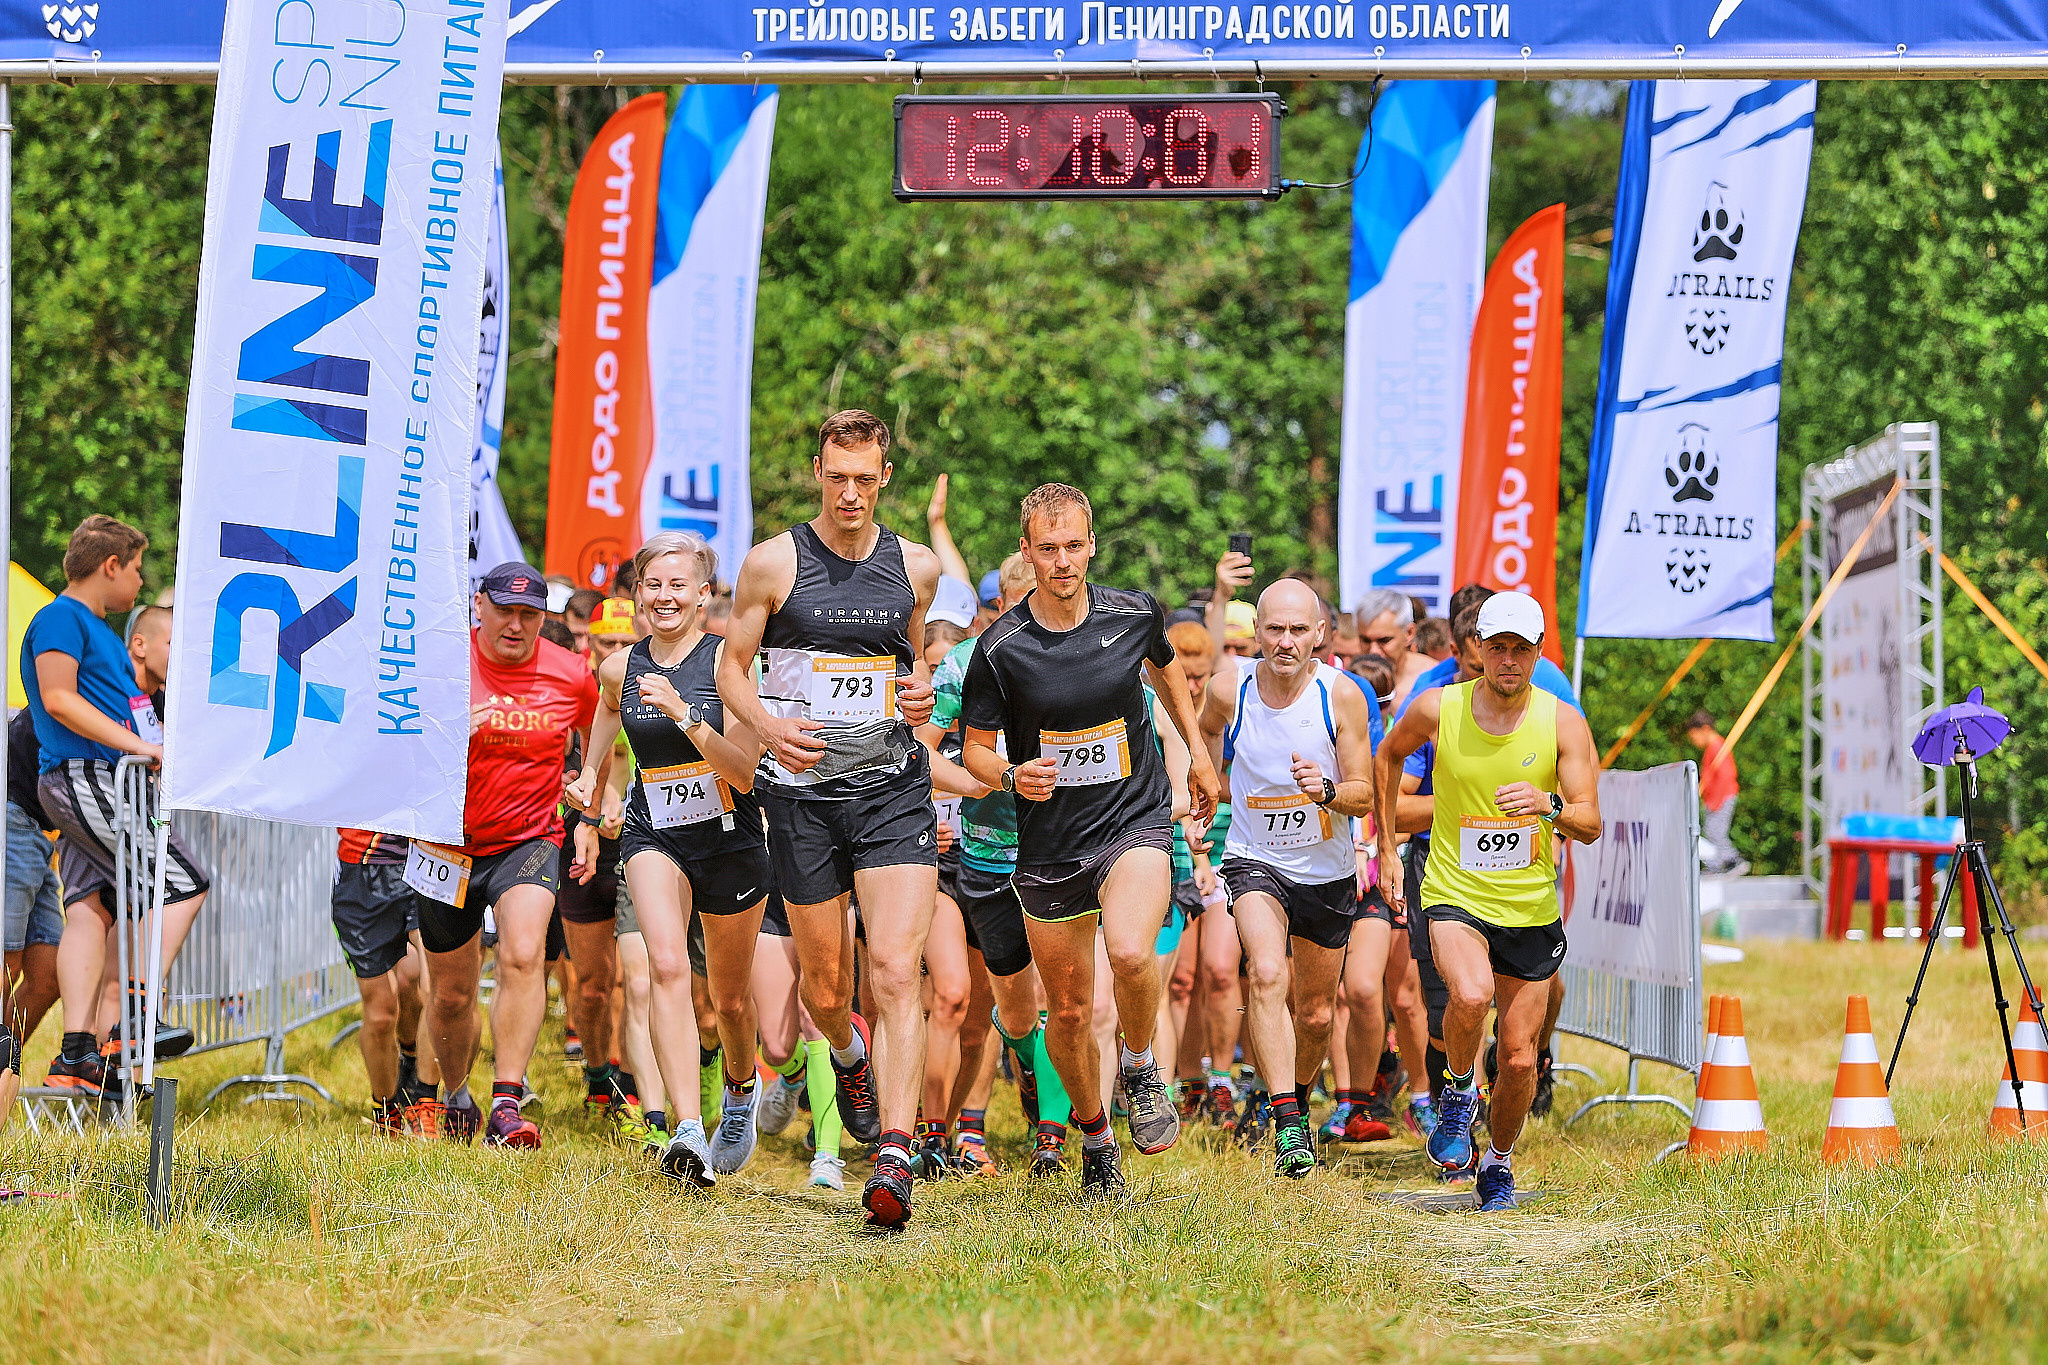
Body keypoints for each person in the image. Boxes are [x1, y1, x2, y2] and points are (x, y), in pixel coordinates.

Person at [960, 483, 1219, 1201]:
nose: (1063, 560)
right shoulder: (1001, 648)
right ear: (1027, 550)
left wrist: (1196, 751)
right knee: (1068, 1014)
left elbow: (1167, 666)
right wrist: (1012, 772)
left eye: (1074, 545)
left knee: (1133, 950)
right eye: (1048, 548)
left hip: (1131, 819)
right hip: (1049, 846)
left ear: (1092, 543)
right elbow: (975, 751)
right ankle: (1096, 1135)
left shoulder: (1134, 614)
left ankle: (1139, 1062)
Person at [716, 409, 943, 1229]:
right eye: (835, 476)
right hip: (802, 796)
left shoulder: (914, 567)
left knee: (893, 968)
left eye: (865, 478)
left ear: (886, 476)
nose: (849, 493)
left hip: (890, 790)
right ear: (817, 469)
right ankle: (848, 1054)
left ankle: (893, 1151)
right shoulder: (774, 562)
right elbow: (729, 665)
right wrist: (769, 728)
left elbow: (912, 665)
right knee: (826, 988)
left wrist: (918, 694)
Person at [1374, 591, 1601, 1212]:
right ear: (1476, 649)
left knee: (1521, 1057)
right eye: (1495, 647)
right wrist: (1390, 849)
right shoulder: (1437, 707)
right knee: (1469, 995)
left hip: (1528, 905)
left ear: (1536, 654)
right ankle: (1455, 1091)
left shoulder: (1561, 722)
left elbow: (1590, 821)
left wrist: (1549, 806)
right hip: (1453, 890)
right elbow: (1388, 756)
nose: (1506, 660)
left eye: (1518, 650)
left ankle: (1498, 1161)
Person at [568, 533, 768, 1184]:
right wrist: (592, 776)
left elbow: (741, 772)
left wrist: (686, 714)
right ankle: (686, 1129)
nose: (665, 596)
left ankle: (740, 1087)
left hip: (731, 833)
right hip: (654, 829)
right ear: (636, 596)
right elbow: (605, 708)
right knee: (664, 965)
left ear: (705, 595)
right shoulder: (619, 668)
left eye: (678, 584)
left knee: (731, 1000)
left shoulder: (727, 667)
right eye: (652, 584)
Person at [1199, 580, 1382, 1176]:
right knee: (1268, 972)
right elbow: (1202, 736)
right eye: (1274, 629)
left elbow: (1363, 794)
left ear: (1320, 636)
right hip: (1254, 858)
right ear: (1257, 634)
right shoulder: (1232, 689)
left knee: (1316, 1015)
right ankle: (1285, 1118)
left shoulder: (1344, 696)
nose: (1285, 641)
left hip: (1326, 870)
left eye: (1298, 630)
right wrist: (1205, 789)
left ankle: (1296, 1099)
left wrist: (1326, 791)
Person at [414, 562, 599, 1150]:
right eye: (505, 610)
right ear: (480, 606)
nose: (516, 625)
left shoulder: (571, 673)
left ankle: (506, 1102)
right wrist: (444, 732)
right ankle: (454, 1094)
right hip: (446, 844)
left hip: (531, 837)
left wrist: (589, 805)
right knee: (450, 996)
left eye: (529, 614)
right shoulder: (442, 666)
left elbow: (601, 742)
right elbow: (393, 745)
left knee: (522, 954)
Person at [27, 516, 209, 1096]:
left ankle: (77, 1051)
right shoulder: (62, 617)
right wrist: (140, 746)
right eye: (135, 570)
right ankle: (134, 1021)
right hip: (87, 776)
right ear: (111, 566)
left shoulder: (98, 629)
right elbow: (56, 698)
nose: (138, 582)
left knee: (89, 906)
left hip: (101, 779)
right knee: (183, 881)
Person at [560, 597, 640, 1117]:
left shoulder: (659, 692)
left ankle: (634, 1086)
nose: (615, 651)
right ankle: (596, 1073)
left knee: (637, 980)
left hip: (642, 846)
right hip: (580, 846)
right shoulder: (571, 697)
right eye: (606, 641)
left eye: (626, 643)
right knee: (591, 984)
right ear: (588, 645)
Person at [330, 826, 427, 1135]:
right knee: (382, 1014)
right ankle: (386, 1113)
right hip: (362, 870)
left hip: (424, 860)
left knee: (426, 984)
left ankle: (424, 1086)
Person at [4, 708, 62, 1048]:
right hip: (13, 814)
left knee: (49, 974)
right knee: (6, 964)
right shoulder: (101, 673)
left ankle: (3, 1075)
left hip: (40, 830)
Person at [1352, 588, 1434, 712]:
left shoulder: (1434, 679)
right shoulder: (1347, 681)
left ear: (1409, 633)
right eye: (1366, 640)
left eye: (1384, 641)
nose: (1373, 650)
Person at [1688, 711, 1745, 875]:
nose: (1694, 742)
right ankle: (1717, 865)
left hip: (1721, 797)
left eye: (1694, 736)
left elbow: (1726, 775)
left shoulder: (1717, 747)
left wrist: (1715, 801)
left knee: (1714, 831)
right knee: (1711, 830)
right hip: (1716, 798)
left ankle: (1732, 860)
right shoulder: (1712, 748)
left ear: (1704, 729)